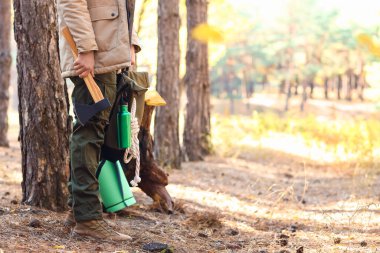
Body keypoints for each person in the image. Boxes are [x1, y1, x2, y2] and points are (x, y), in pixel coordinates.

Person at [57, 0, 141, 241]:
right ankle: (88, 219)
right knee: (88, 135)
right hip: (93, 60)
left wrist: (130, 44)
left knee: (97, 135)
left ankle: (78, 212)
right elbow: (70, 3)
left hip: (109, 55)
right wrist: (85, 49)